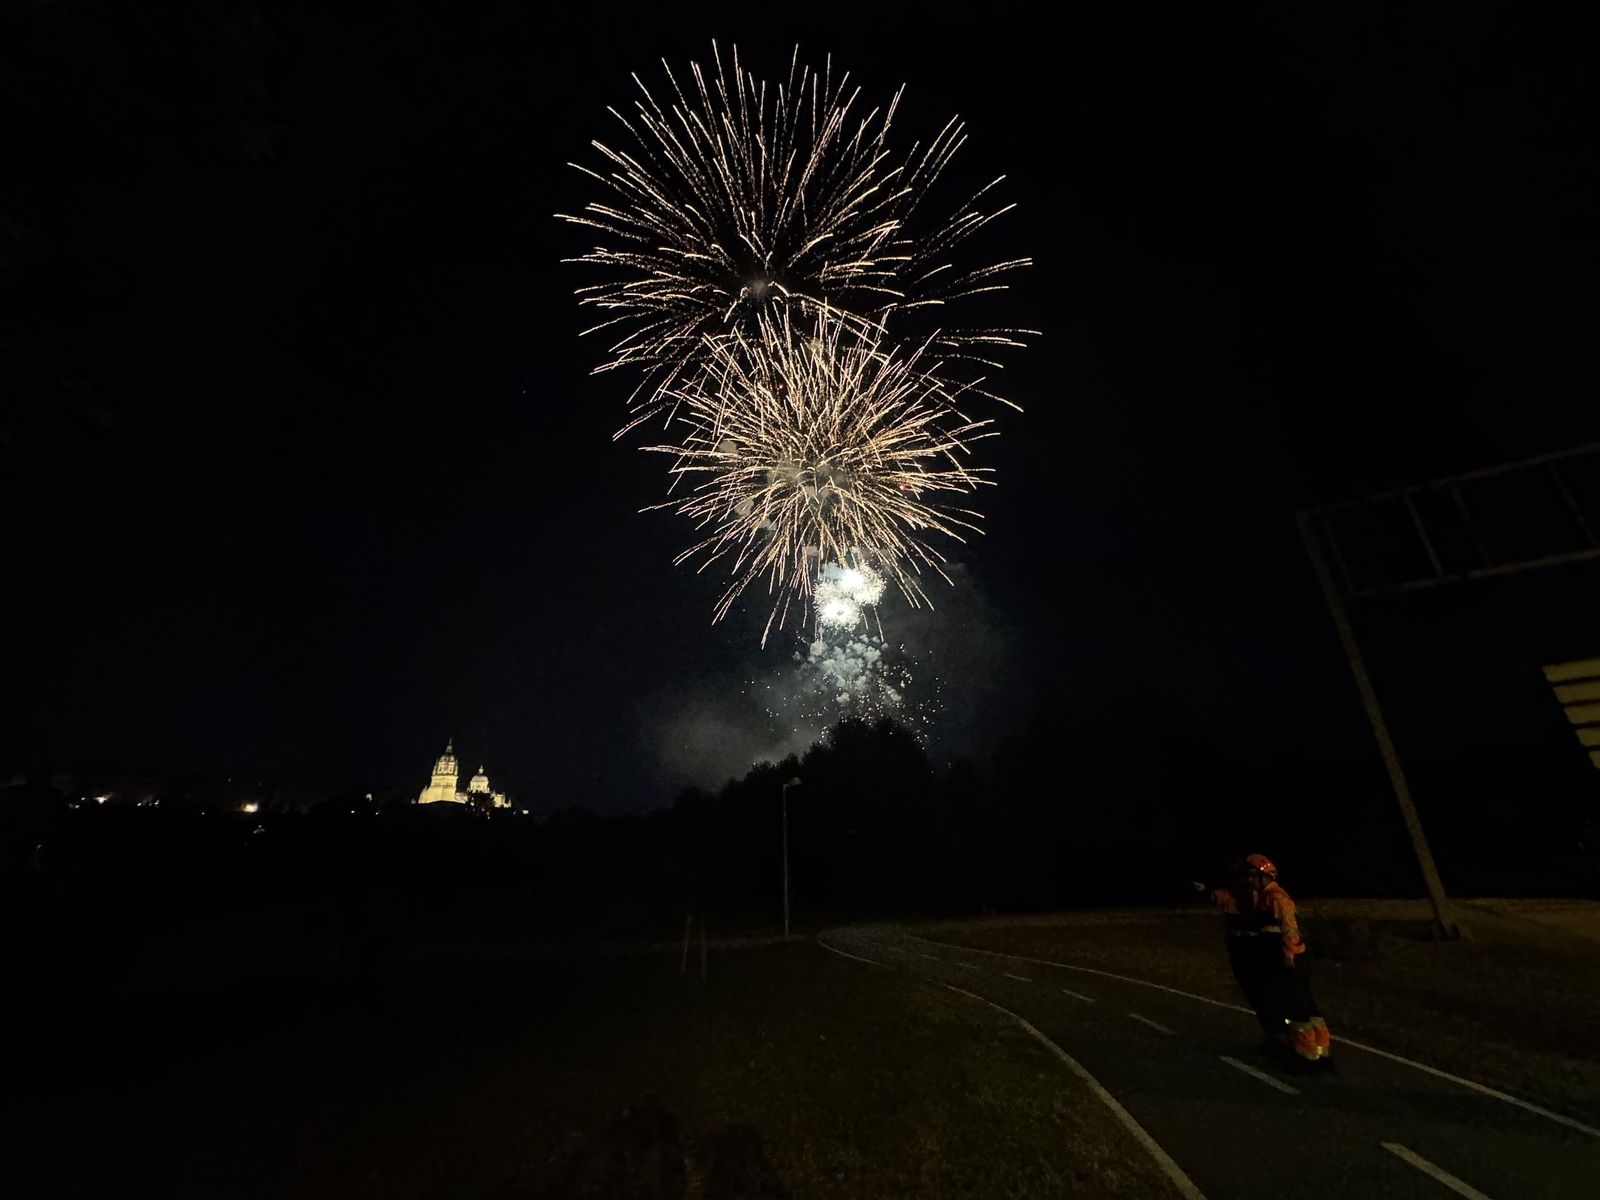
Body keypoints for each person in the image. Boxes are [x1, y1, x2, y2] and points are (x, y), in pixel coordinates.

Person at [1194, 854, 1332, 1069]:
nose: (1248, 880)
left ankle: (1307, 1054)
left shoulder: (1275, 898)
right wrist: (1205, 891)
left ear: (1264, 876)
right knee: (1297, 1003)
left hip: (1290, 957)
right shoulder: (1254, 897)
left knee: (1296, 1006)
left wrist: (1288, 956)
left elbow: (1289, 929)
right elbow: (1228, 901)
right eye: (1246, 876)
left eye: (1251, 876)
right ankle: (1312, 1050)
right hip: (1279, 957)